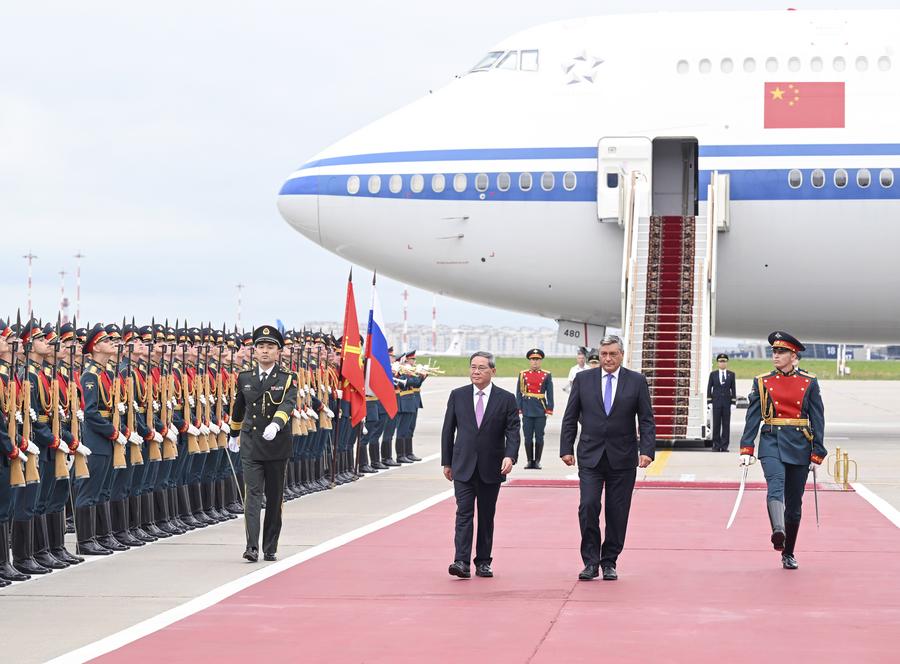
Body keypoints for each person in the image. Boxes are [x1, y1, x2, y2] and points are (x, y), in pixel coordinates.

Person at [560, 334, 655, 581]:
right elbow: (570, 416)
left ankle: (609, 560)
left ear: (621, 355)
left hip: (623, 458)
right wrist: (566, 448)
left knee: (617, 511)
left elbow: (646, 419)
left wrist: (646, 450)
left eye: (613, 354)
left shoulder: (636, 381)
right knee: (588, 505)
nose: (608, 358)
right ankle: (590, 562)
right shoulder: (583, 379)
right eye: (604, 354)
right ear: (599, 356)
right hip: (590, 456)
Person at [737, 331, 826, 570]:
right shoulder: (762, 381)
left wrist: (818, 451)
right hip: (772, 442)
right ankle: (778, 531)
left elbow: (817, 418)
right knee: (775, 485)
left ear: (794, 356)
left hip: (799, 444)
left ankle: (788, 551)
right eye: (774, 351)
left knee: (795, 505)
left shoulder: (809, 382)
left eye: (781, 352)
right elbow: (753, 417)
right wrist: (747, 448)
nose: (775, 355)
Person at [441, 351, 520, 579]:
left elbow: (513, 431)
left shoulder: (505, 399)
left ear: (492, 371)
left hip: (491, 467)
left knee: (486, 515)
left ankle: (483, 561)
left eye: (481, 368)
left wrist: (510, 456)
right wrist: (447, 461)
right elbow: (449, 430)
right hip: (463, 465)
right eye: (473, 367)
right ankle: (461, 561)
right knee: (463, 513)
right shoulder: (458, 395)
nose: (476, 372)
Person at [228, 325, 298, 563]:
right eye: (260, 347)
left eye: (270, 347)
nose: (265, 351)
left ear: (279, 352)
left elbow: (288, 405)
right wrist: (233, 433)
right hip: (251, 443)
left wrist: (276, 425)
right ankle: (251, 546)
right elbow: (239, 407)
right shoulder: (245, 378)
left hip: (276, 444)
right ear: (254, 351)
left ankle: (270, 546)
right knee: (252, 495)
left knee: (275, 497)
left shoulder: (287, 378)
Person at [516, 348, 554, 469]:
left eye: (537, 359)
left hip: (540, 410)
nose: (535, 362)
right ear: (529, 361)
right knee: (527, 437)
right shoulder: (523, 374)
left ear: (541, 361)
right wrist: (519, 408)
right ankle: (529, 461)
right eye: (533, 359)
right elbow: (519, 393)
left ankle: (537, 460)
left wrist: (549, 408)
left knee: (539, 437)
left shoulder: (546, 375)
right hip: (527, 409)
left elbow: (550, 393)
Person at [706, 353, 736, 451]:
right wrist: (709, 401)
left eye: (724, 361)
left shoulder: (731, 374)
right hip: (716, 403)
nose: (722, 363)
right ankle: (716, 445)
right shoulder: (713, 374)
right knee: (716, 424)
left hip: (727, 403)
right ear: (717, 363)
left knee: (726, 425)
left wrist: (733, 402)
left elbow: (733, 389)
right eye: (720, 361)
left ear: (727, 363)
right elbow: (709, 388)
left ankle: (724, 446)